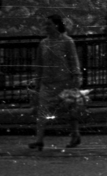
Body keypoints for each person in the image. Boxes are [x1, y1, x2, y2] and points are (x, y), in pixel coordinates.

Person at [29, 13, 82, 150]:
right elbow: (40, 65)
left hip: (64, 82)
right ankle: (39, 140)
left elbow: (73, 61)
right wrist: (37, 82)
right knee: (42, 111)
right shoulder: (43, 43)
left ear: (57, 25)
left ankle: (75, 135)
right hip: (47, 83)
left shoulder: (67, 41)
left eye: (49, 24)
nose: (46, 27)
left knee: (70, 111)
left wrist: (76, 77)